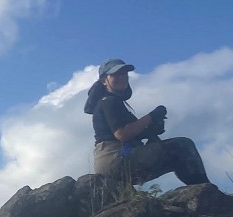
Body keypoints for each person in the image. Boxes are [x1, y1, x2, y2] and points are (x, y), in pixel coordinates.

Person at [84, 58, 211, 189]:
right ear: (103, 80)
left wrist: (150, 131)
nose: (122, 77)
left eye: (124, 74)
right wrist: (151, 117)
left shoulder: (110, 102)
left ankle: (199, 191)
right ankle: (205, 191)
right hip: (115, 159)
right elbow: (122, 134)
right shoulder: (109, 101)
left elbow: (130, 132)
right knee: (182, 146)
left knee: (176, 156)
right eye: (116, 74)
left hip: (113, 161)